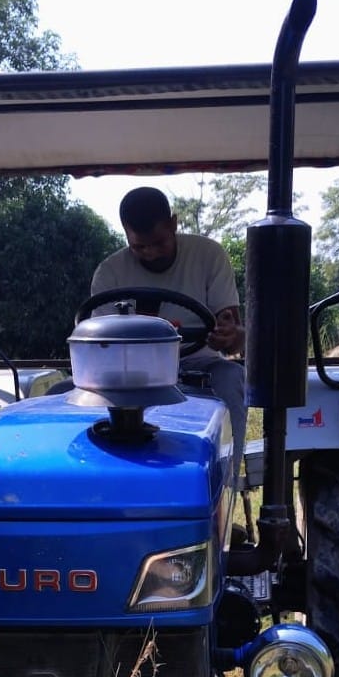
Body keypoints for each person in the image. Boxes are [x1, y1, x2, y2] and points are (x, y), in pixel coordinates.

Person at [91, 187, 247, 472]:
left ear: (173, 224)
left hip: (199, 364)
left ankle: (228, 474)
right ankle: (100, 474)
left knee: (231, 376)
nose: (151, 254)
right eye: (140, 247)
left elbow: (234, 337)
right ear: (126, 234)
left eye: (159, 243)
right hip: (130, 375)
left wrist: (229, 336)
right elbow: (102, 350)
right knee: (63, 391)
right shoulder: (109, 273)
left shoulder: (208, 255)